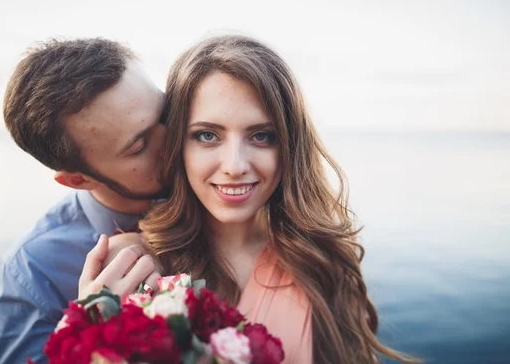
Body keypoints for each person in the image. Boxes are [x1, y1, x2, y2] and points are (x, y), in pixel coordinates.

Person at [127, 35, 415, 363]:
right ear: (178, 144)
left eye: (262, 136)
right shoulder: (140, 267)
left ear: (290, 147)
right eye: (207, 135)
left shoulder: (318, 259)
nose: (235, 166)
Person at [0, 39, 167, 364]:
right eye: (139, 145)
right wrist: (86, 336)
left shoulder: (223, 193)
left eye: (166, 112)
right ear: (78, 180)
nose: (173, 139)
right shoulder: (35, 267)